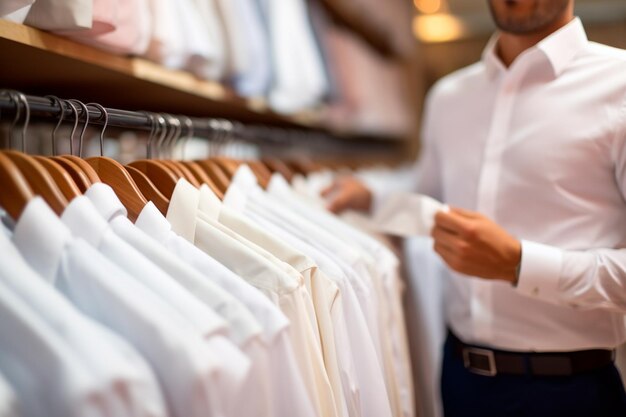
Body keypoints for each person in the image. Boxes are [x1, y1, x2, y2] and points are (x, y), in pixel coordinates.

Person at [322, 1, 626, 416]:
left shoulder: (619, 84)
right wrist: (372, 199)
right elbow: (429, 202)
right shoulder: (448, 98)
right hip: (459, 380)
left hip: (571, 394)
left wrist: (519, 264)